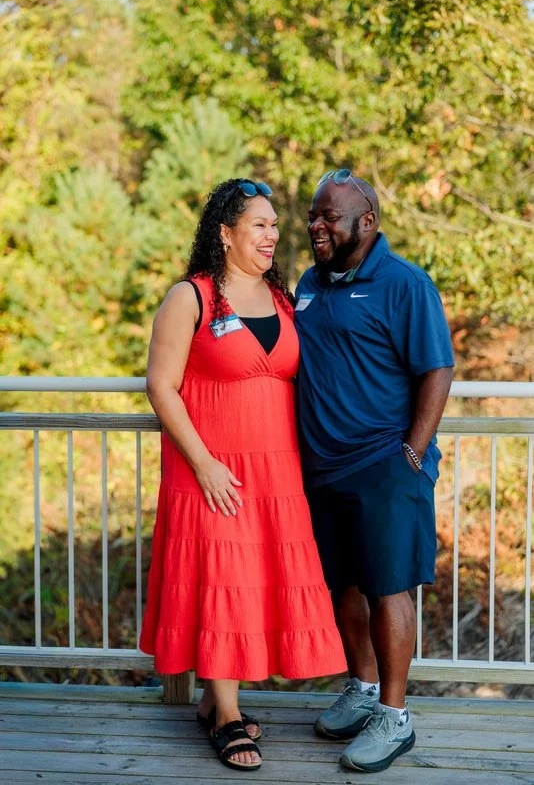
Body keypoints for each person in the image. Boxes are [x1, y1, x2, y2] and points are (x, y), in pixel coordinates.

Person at [139, 178, 347, 772]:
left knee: (251, 582)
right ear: (225, 234)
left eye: (275, 225)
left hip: (276, 472)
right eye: (259, 224)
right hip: (211, 469)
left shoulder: (282, 298)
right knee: (222, 581)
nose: (272, 234)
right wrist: (204, 463)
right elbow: (161, 386)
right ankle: (228, 715)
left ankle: (213, 701)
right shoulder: (191, 297)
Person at [294, 169, 454, 773]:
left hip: (386, 463)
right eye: (313, 215)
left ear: (367, 222)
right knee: (345, 585)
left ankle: (394, 715)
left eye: (329, 217)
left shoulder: (405, 283)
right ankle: (362, 690)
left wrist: (413, 451)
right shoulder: (309, 282)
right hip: (325, 469)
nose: (317, 225)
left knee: (389, 588)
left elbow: (437, 368)